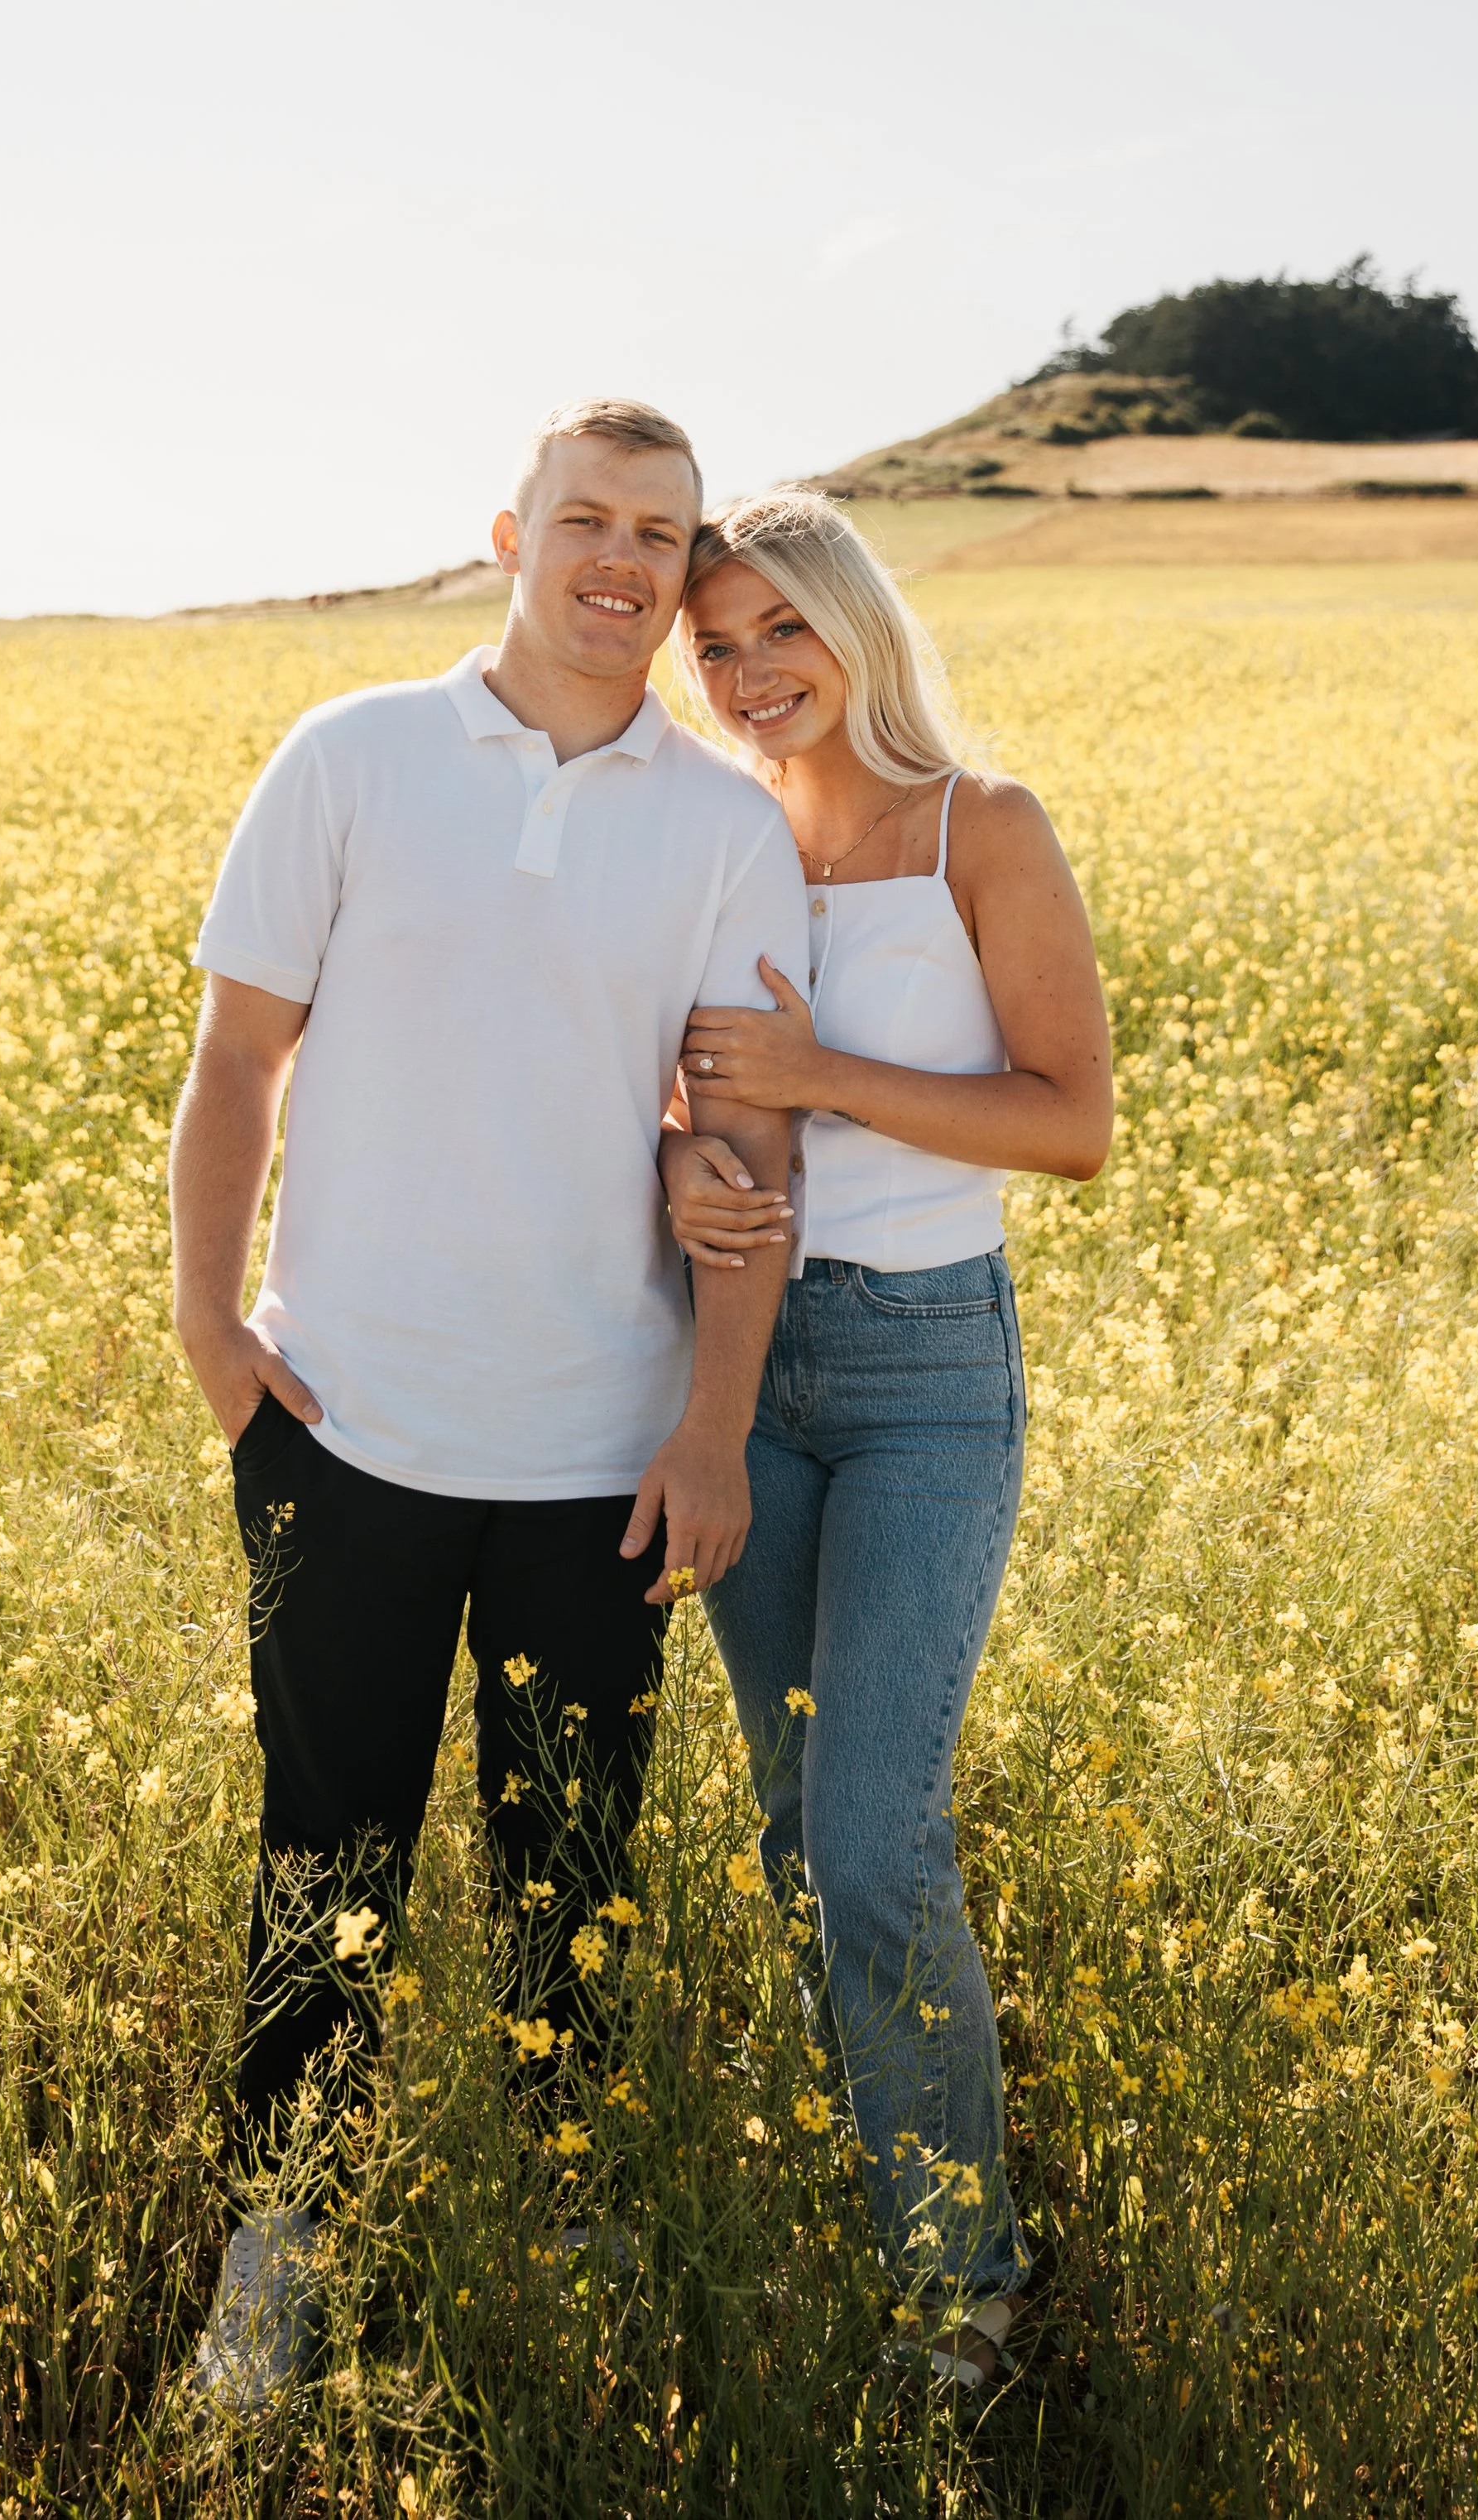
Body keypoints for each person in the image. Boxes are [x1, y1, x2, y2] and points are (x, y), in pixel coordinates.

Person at [169, 401, 807, 2412]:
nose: (620, 560)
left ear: (684, 562)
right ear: (510, 531)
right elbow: (235, 1066)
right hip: (342, 1429)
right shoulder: (348, 755)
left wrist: (709, 1429)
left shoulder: (721, 829)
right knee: (321, 1863)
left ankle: (571, 2221)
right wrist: (213, 1339)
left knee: (577, 1869)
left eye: (659, 534)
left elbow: (743, 1152)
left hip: (596, 1461)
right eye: (587, 521)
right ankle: (281, 2253)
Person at [660, 487, 1111, 2394]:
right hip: (737, 1374)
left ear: (852, 624)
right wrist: (680, 1165)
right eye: (717, 644)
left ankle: (963, 2291)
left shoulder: (976, 828)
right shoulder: (704, 839)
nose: (751, 673)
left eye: (782, 630)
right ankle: (879, 2181)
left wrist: (819, 1080)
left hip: (927, 1369)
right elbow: (665, 1092)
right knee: (792, 1826)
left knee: (870, 1829)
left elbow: (1070, 1120)